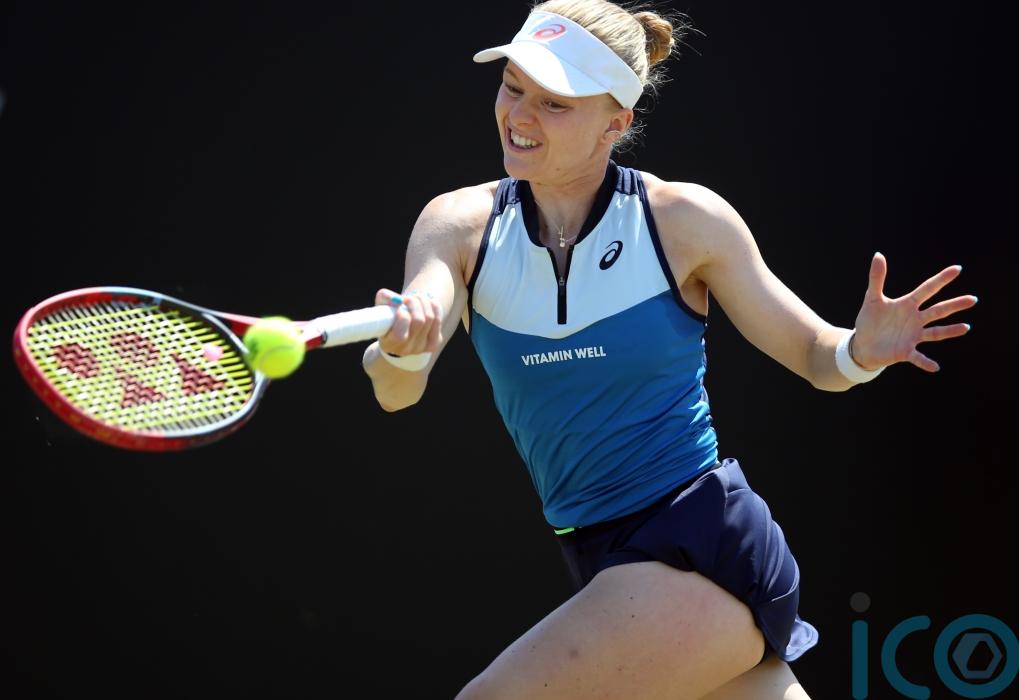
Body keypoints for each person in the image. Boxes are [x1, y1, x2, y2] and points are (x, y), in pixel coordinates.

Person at [362, 1, 976, 697]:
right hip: (604, 559)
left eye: (555, 103)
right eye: (512, 88)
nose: (520, 115)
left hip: (699, 549)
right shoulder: (457, 226)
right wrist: (403, 349)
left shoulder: (685, 221)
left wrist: (860, 350)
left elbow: (816, 356)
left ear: (616, 124)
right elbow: (397, 388)